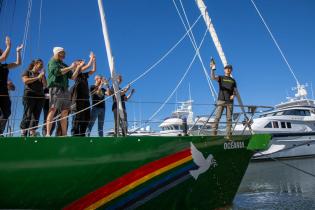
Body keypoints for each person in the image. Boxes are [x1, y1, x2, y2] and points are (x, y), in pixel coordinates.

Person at [46, 47, 83, 136]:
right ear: (58, 53)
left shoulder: (65, 65)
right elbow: (57, 72)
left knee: (65, 112)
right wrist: (70, 67)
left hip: (65, 89)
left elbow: (73, 77)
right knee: (53, 109)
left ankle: (64, 134)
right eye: (63, 52)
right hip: (55, 88)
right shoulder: (52, 62)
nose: (65, 54)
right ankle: (48, 133)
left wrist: (78, 67)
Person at [0, 36, 23, 136]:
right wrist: (8, 46)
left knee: (6, 112)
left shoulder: (4, 66)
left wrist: (18, 51)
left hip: (3, 91)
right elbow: (4, 57)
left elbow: (18, 63)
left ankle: (0, 132)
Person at [210, 58, 237, 140]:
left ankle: (228, 135)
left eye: (229, 69)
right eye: (226, 68)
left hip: (230, 102)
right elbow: (213, 77)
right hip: (221, 100)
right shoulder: (221, 77)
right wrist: (212, 69)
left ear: (231, 70)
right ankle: (213, 134)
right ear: (224, 70)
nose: (228, 70)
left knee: (229, 119)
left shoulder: (233, 80)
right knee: (217, 117)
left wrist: (233, 95)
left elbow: (234, 91)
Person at [71, 53, 97, 136]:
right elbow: (88, 66)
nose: (82, 62)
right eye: (80, 62)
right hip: (78, 98)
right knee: (77, 117)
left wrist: (94, 60)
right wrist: (91, 58)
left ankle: (82, 134)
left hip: (86, 98)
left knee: (86, 117)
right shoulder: (76, 71)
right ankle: (74, 134)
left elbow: (93, 70)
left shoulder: (84, 74)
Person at [20, 59, 46, 137]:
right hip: (29, 95)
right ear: (35, 64)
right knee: (27, 113)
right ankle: (23, 131)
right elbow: (25, 81)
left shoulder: (41, 75)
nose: (41, 67)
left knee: (36, 114)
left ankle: (32, 131)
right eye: (40, 65)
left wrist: (43, 76)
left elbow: (45, 85)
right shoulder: (27, 72)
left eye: (42, 65)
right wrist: (37, 77)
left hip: (40, 96)